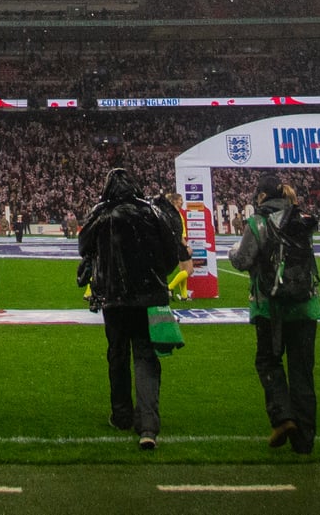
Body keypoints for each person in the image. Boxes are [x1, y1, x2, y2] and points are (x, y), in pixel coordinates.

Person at [78, 167, 184, 450]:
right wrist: (156, 276)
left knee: (117, 355)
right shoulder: (152, 212)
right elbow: (172, 251)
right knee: (146, 356)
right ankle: (148, 424)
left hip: (114, 298)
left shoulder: (102, 213)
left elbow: (83, 245)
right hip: (148, 296)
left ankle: (121, 414)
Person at [228, 177, 318, 456]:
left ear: (262, 196)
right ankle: (304, 441)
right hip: (305, 305)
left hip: (270, 306)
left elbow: (243, 260)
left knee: (268, 360)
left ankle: (282, 417)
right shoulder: (301, 218)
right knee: (302, 370)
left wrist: (232, 251)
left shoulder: (259, 222)